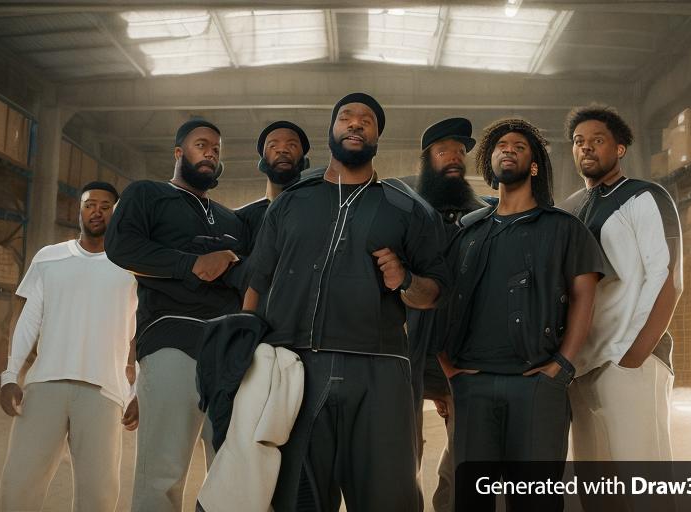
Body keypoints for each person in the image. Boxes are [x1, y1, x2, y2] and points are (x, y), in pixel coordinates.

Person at [244, 92, 451, 512]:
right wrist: (243, 351)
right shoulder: (290, 203)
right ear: (331, 130)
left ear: (378, 136)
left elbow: (435, 292)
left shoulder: (407, 209)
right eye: (347, 117)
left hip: (378, 370)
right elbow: (257, 282)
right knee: (295, 498)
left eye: (367, 120)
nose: (356, 124)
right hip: (295, 366)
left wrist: (405, 279)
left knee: (388, 499)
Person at [438, 118, 603, 511]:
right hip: (471, 385)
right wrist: (446, 365)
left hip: (535, 386)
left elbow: (584, 296)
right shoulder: (466, 234)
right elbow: (441, 301)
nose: (507, 149)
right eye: (499, 145)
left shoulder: (563, 228)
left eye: (518, 146)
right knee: (470, 502)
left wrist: (562, 365)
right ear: (488, 162)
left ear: (533, 166)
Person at [104, 118, 247, 512]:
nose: (211, 153)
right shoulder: (147, 195)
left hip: (230, 352)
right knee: (162, 474)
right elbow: (122, 246)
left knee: (231, 471)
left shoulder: (233, 219)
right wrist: (193, 264)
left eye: (217, 149)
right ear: (179, 153)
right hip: (172, 341)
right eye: (202, 145)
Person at [0, 182, 138, 512]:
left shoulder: (132, 266)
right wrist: (10, 375)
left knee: (98, 495)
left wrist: (137, 389)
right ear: (80, 210)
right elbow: (29, 320)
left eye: (106, 205)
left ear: (116, 213)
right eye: (90, 204)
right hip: (45, 384)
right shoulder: (49, 258)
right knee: (19, 484)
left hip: (104, 391)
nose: (97, 210)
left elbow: (140, 332)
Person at [561, 105, 683, 467]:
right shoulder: (571, 209)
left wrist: (632, 358)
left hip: (630, 361)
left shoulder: (643, 196)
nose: (586, 147)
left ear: (619, 149)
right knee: (595, 488)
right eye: (579, 141)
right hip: (582, 367)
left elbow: (669, 277)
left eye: (597, 140)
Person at [400, 117, 485, 512]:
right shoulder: (407, 214)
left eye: (459, 152)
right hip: (410, 351)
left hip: (465, 352)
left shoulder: (482, 215)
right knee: (402, 451)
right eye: (442, 151)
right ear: (426, 159)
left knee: (467, 449)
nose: (453, 158)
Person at [237, 120, 311, 254]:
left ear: (305, 161)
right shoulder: (243, 218)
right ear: (262, 163)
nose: (282, 150)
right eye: (273, 146)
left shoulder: (320, 212)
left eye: (292, 145)